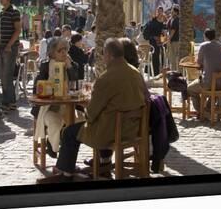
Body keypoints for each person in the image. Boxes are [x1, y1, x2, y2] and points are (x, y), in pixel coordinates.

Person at [38, 38, 145, 183]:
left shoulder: (106, 78)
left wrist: (86, 107)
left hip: (109, 132)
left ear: (108, 55)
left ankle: (65, 174)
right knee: (89, 123)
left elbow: (91, 114)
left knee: (69, 132)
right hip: (132, 129)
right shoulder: (135, 73)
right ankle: (105, 163)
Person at [32, 37, 79, 158]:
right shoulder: (46, 66)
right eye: (60, 50)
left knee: (80, 122)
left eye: (66, 50)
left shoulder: (71, 64)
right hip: (48, 108)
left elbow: (77, 83)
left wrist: (69, 67)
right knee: (54, 122)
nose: (64, 53)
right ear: (52, 53)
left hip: (68, 107)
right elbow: (37, 89)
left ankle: (62, 153)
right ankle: (53, 148)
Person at [186, 29, 221, 112]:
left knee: (190, 88)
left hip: (208, 83)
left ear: (205, 37)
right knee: (214, 89)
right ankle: (208, 109)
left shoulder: (203, 46)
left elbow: (199, 63)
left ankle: (201, 111)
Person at [0, 0, 22, 111]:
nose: (0, 0)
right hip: (1, 47)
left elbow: (18, 30)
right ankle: (10, 101)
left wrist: (9, 45)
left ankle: (7, 102)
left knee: (6, 75)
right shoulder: (1, 12)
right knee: (3, 75)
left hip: (10, 48)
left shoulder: (14, 12)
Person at [143, 7, 167, 76]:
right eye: (158, 11)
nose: (159, 13)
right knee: (154, 57)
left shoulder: (164, 22)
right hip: (154, 42)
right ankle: (154, 73)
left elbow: (165, 32)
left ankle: (161, 73)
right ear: (156, 12)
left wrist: (164, 36)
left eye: (161, 11)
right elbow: (147, 32)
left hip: (162, 43)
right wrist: (153, 37)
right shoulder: (152, 22)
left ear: (162, 12)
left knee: (163, 57)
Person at [167, 6, 180, 71]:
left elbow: (173, 30)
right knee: (172, 57)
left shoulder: (176, 20)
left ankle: (177, 71)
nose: (171, 12)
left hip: (175, 40)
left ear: (176, 12)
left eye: (173, 11)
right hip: (171, 40)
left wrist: (169, 38)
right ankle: (173, 70)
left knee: (175, 56)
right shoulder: (171, 19)